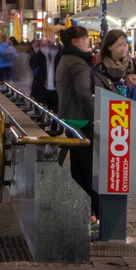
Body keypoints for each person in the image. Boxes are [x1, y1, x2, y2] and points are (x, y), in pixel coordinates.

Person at [96, 29, 136, 231]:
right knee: (109, 166)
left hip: (133, 121)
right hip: (111, 124)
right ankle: (100, 213)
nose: (124, 49)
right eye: (120, 45)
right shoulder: (99, 70)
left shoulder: (133, 64)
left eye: (126, 44)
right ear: (109, 47)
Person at [55, 25, 101, 234]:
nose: (88, 42)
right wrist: (96, 117)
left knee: (79, 170)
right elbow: (84, 93)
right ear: (75, 41)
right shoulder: (78, 63)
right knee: (89, 172)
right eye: (85, 39)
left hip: (70, 120)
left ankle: (84, 211)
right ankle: (92, 214)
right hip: (82, 121)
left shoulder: (65, 58)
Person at [29, 35, 59, 111]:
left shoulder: (59, 54)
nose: (46, 47)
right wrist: (36, 51)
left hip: (56, 90)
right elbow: (32, 65)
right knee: (40, 112)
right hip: (42, 88)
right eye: (44, 45)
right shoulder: (41, 54)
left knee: (55, 113)